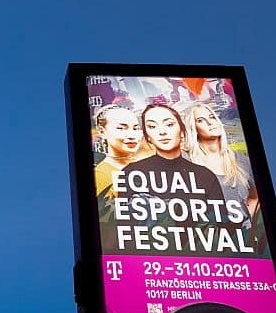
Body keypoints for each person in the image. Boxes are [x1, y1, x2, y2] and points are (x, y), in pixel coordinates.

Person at [115, 104, 234, 253]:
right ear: (148, 137)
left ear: (182, 131)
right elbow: (124, 231)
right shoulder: (132, 172)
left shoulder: (204, 175)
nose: (162, 132)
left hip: (198, 260)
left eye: (169, 124)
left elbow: (222, 229)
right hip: (147, 261)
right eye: (152, 126)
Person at [185, 102, 265, 253]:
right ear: (193, 128)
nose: (210, 122)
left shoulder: (242, 161)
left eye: (212, 117)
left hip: (242, 241)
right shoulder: (187, 160)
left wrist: (247, 224)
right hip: (207, 242)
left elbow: (255, 197)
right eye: (200, 120)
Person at [94, 105, 147, 223]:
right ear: (102, 131)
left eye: (136, 128)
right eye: (121, 128)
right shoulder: (101, 176)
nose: (132, 135)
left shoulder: (151, 165)